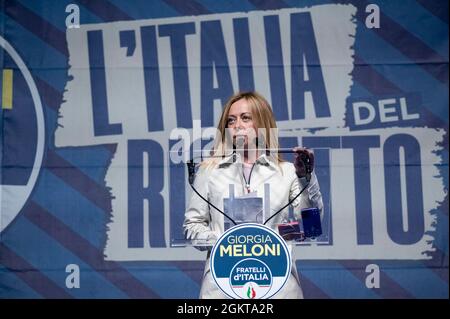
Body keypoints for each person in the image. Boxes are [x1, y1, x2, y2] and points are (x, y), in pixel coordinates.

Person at [183, 91, 323, 299]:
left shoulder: (287, 172)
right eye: (231, 120)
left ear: (263, 124)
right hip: (222, 288)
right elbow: (191, 227)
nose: (237, 125)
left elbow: (311, 226)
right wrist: (228, 242)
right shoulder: (209, 171)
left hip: (278, 288)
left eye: (245, 118)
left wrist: (306, 178)